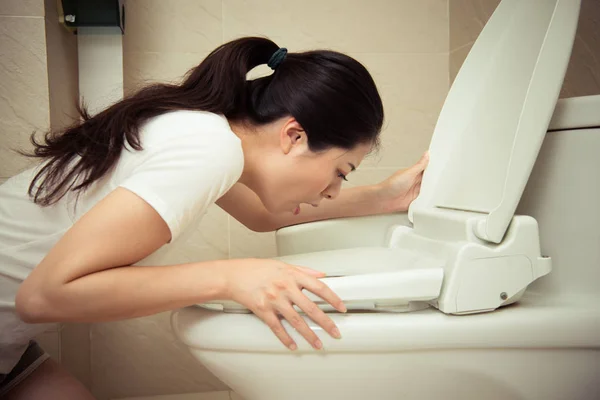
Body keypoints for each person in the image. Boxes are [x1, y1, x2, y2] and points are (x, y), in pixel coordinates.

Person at [0, 36, 428, 399]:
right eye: (340, 172)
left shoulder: (204, 133)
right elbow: (43, 298)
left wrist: (387, 196)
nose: (334, 190)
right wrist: (229, 277)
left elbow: (264, 216)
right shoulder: (209, 149)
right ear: (294, 136)